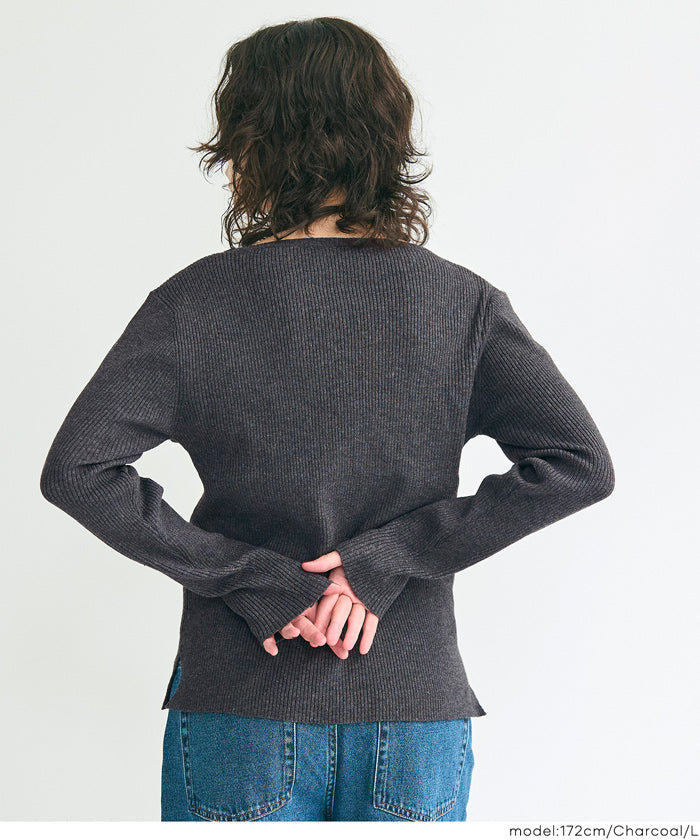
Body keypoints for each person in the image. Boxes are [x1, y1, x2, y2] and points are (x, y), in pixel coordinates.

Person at [39, 16, 615, 822]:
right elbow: (577, 463)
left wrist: (257, 579)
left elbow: (78, 471)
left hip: (243, 704)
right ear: (385, 135)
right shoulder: (460, 302)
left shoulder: (195, 302)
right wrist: (383, 562)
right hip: (411, 714)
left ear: (252, 142)